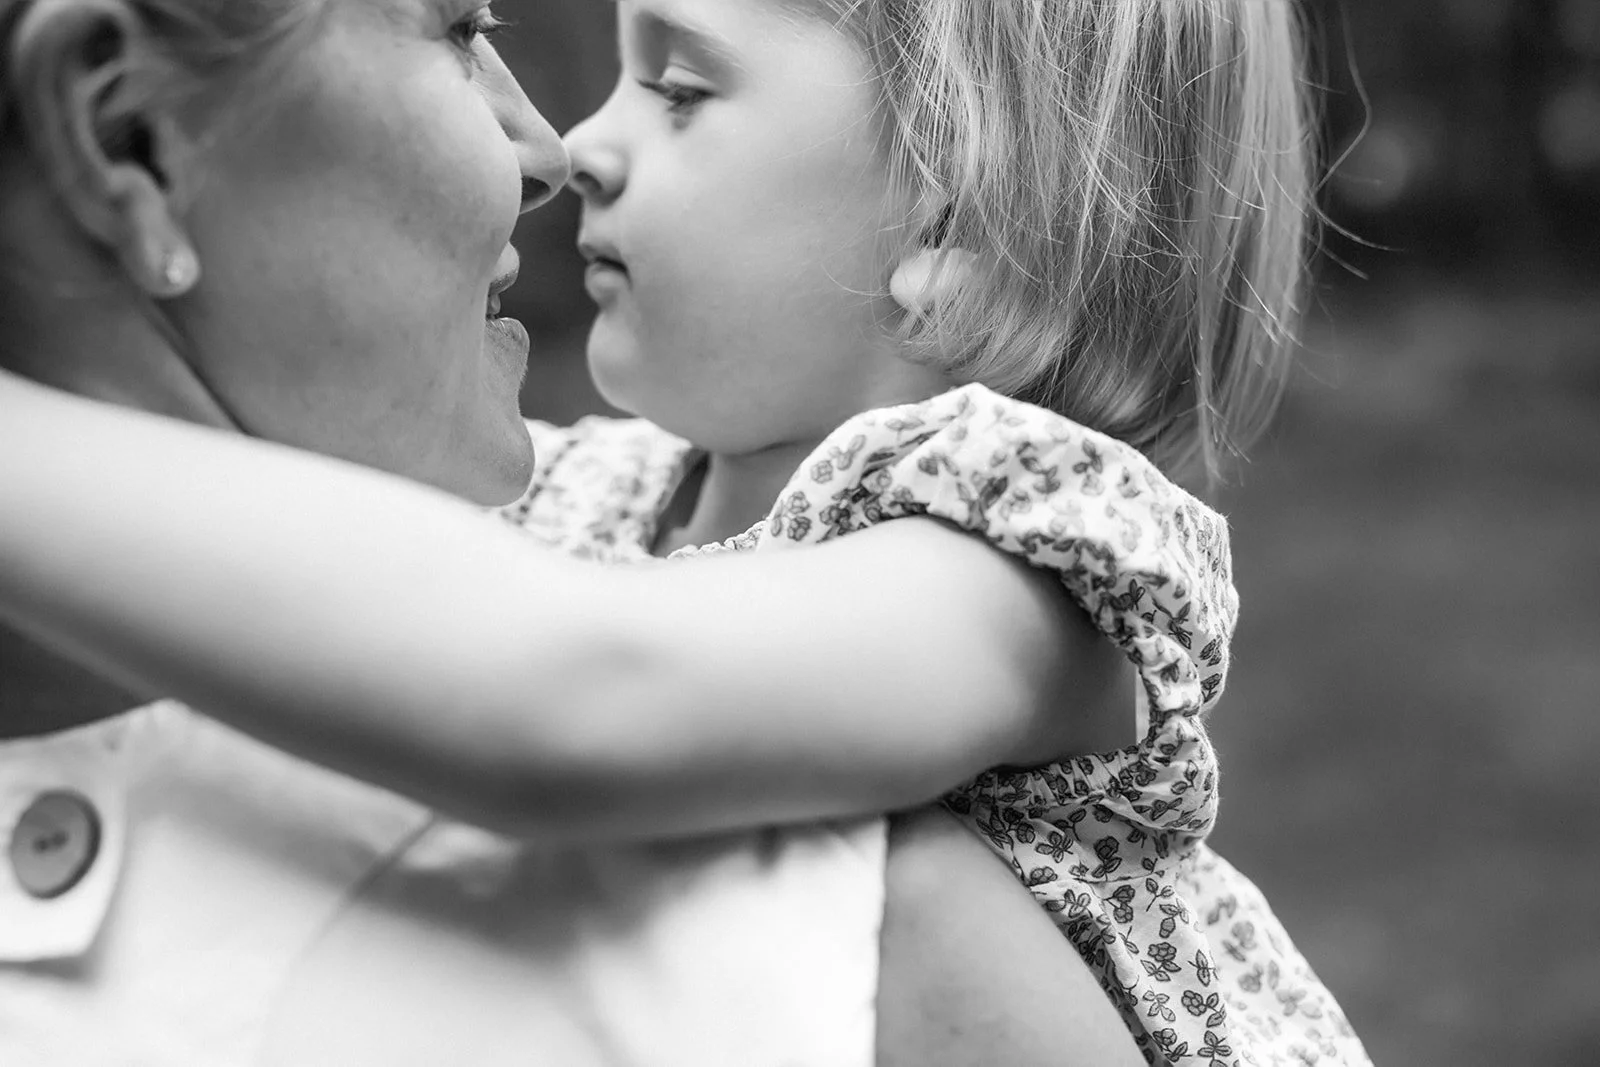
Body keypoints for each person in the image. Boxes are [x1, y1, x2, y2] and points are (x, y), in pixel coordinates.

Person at [0, 1, 1374, 1065]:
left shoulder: (1011, 555)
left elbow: (571, 691)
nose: (572, 144)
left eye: (678, 88)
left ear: (954, 216)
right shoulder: (602, 494)